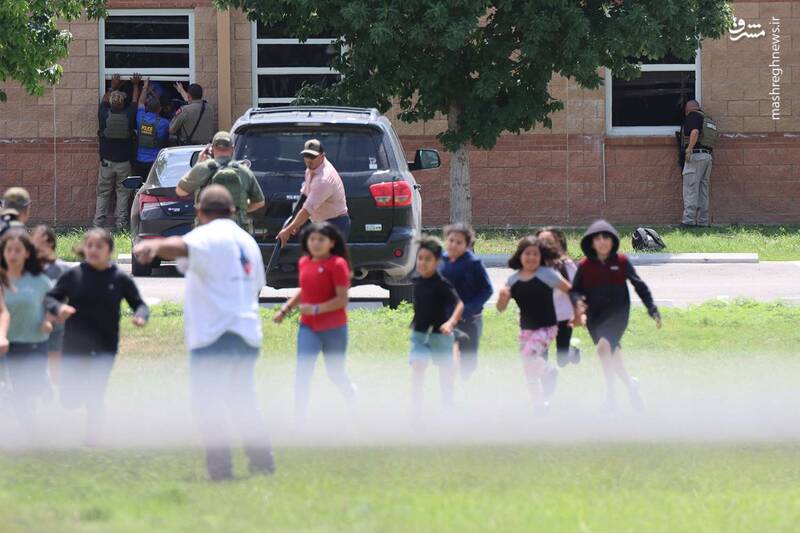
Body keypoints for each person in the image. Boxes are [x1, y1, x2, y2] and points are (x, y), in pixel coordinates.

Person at [133, 186, 275, 481]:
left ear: (199, 211)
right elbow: (256, 284)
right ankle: (262, 462)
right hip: (247, 331)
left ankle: (221, 470)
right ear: (234, 210)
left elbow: (183, 247)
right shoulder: (246, 241)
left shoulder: (206, 235)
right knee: (243, 401)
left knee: (208, 403)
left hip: (215, 333)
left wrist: (154, 247)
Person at [46, 229, 149, 446]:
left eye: (98, 246)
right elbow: (50, 299)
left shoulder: (119, 279)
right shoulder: (74, 276)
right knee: (70, 400)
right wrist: (59, 308)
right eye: (89, 246)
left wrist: (140, 316)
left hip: (105, 346)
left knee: (95, 391)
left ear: (109, 251)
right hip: (74, 344)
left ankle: (93, 437)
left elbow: (139, 304)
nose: (92, 250)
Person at [570, 220, 662, 411]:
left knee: (603, 349)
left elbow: (639, 286)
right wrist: (578, 302)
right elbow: (575, 290)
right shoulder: (585, 265)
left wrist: (652, 309)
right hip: (594, 317)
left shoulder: (621, 262)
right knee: (613, 357)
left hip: (617, 315)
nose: (602, 242)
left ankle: (611, 394)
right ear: (592, 243)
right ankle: (631, 385)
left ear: (612, 241)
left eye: (606, 238)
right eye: (598, 238)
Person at [273, 222, 357, 419]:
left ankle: (351, 397)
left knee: (335, 372)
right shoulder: (305, 263)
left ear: (331, 243)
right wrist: (285, 309)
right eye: (312, 239)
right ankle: (299, 418)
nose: (316, 243)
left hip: (334, 328)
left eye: (321, 240)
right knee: (303, 372)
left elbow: (342, 300)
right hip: (308, 327)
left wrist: (317, 308)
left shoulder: (338, 265)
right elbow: (304, 290)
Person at [496, 236, 571, 412]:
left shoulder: (548, 275)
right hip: (526, 329)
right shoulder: (513, 280)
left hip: (547, 327)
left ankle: (550, 370)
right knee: (528, 368)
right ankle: (539, 404)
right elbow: (500, 308)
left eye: (535, 254)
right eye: (527, 253)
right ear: (520, 256)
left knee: (529, 355)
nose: (531, 257)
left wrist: (577, 311)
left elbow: (569, 290)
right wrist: (502, 297)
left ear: (541, 256)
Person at [0, 229, 52, 432]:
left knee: (25, 391)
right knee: (7, 390)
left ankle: (27, 428)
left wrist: (48, 319)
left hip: (33, 342)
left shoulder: (39, 281)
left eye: (17, 250)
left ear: (26, 254)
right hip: (5, 345)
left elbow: (53, 302)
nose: (12, 255)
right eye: (8, 250)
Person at [409, 236, 464, 418]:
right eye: (420, 258)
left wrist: (450, 322)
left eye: (428, 259)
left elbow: (459, 305)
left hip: (440, 335)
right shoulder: (416, 280)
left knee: (446, 376)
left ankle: (448, 409)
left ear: (438, 262)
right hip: (420, 334)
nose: (423, 263)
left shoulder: (441, 284)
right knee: (418, 367)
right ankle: (417, 411)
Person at [175, 131, 266, 231]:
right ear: (232, 149)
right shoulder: (244, 171)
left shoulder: (202, 168)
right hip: (236, 230)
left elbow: (180, 191)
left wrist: (198, 163)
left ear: (212, 149)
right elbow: (260, 202)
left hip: (207, 230)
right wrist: (241, 210)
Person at [438, 223, 493, 380]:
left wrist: (468, 310)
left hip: (470, 319)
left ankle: (466, 378)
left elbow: (487, 289)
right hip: (447, 318)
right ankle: (448, 388)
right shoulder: (441, 261)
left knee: (469, 359)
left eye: (459, 242)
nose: (454, 244)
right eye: (451, 240)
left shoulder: (474, 264)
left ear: (467, 245)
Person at [276, 139, 350, 245]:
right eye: (306, 156)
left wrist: (288, 230)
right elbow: (304, 196)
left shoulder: (324, 179)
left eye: (312, 157)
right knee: (317, 259)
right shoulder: (311, 169)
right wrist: (294, 222)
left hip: (335, 224)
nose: (308, 160)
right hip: (319, 223)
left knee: (329, 260)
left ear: (322, 156)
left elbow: (307, 210)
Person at [95, 73, 140, 230]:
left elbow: (104, 100)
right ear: (122, 104)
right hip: (124, 163)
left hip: (106, 162)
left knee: (103, 194)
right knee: (123, 194)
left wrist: (113, 86)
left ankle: (98, 225)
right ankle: (121, 225)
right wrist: (135, 85)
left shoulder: (103, 113)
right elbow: (135, 101)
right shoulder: (129, 115)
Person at [31, 226, 71, 384]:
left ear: (51, 244)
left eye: (43, 243)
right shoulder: (28, 270)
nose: (39, 248)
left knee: (56, 362)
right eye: (35, 244)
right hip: (33, 324)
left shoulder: (62, 269)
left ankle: (56, 388)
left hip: (57, 325)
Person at [536, 227, 580, 368]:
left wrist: (579, 311)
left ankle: (573, 352)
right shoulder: (532, 264)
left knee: (562, 359)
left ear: (558, 244)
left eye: (548, 241)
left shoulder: (566, 265)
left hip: (564, 317)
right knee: (541, 354)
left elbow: (576, 289)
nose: (544, 245)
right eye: (540, 241)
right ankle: (547, 377)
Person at [681, 100, 713, 227]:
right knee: (703, 190)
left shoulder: (693, 116)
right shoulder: (707, 119)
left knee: (690, 188)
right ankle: (703, 221)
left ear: (688, 109)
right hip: (707, 156)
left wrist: (689, 149)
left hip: (696, 156)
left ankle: (688, 221)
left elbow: (694, 132)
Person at [134, 78, 170, 182]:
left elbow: (140, 102)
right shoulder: (164, 123)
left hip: (140, 161)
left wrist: (145, 86)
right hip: (155, 163)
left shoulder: (140, 117)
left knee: (141, 188)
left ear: (147, 107)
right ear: (160, 109)